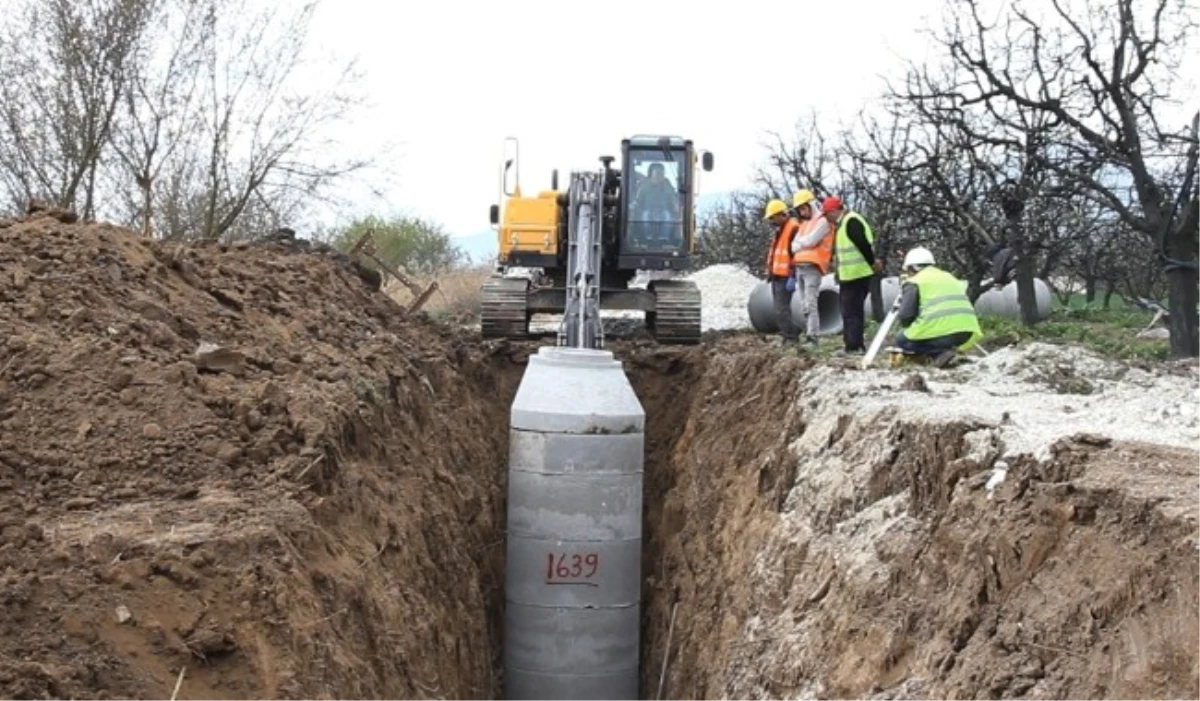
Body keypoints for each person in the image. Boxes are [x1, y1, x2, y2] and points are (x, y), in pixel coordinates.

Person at [894, 246, 983, 368]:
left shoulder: (915, 282)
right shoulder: (948, 276)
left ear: (911, 267)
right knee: (925, 335)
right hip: (966, 332)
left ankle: (940, 353)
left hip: (942, 334)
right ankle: (941, 356)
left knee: (902, 339)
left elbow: (906, 316)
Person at [820, 195, 881, 355]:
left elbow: (863, 245)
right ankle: (852, 344)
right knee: (849, 311)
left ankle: (854, 346)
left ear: (833, 211)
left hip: (857, 275)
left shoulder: (851, 222)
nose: (827, 219)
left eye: (826, 214)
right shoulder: (845, 223)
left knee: (852, 312)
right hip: (850, 275)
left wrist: (872, 263)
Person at [788, 189, 833, 350]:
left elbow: (810, 242)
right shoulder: (804, 224)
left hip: (813, 267)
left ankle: (813, 337)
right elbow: (793, 245)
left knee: (810, 303)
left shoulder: (823, 221)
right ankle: (809, 334)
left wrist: (800, 244)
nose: (801, 212)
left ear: (810, 205)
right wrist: (800, 244)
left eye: (803, 208)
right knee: (804, 305)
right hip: (800, 267)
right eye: (799, 209)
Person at [763, 198, 801, 347]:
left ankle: (791, 338)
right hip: (778, 275)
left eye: (773, 217)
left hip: (786, 275)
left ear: (781, 214)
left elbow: (797, 253)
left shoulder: (793, 228)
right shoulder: (782, 230)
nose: (771, 221)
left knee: (781, 309)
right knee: (780, 309)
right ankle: (788, 336)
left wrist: (793, 273)